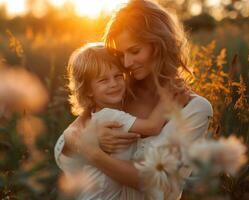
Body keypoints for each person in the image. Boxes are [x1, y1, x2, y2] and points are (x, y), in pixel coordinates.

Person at [56, 0, 213, 199]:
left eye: (135, 51)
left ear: (159, 44)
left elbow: (155, 182)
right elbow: (65, 146)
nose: (127, 63)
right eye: (121, 55)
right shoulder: (119, 92)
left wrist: (94, 154)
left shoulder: (195, 109)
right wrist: (87, 140)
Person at [54, 42, 167, 199]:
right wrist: (169, 97)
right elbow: (152, 127)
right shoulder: (109, 116)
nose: (113, 84)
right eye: (103, 80)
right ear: (88, 90)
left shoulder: (95, 115)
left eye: (118, 76)